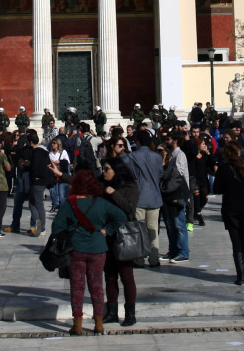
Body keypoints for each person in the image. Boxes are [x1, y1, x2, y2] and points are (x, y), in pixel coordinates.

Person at [51, 171, 127, 336]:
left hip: (76, 250)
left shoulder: (70, 203)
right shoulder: (101, 203)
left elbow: (56, 227)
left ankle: (77, 324)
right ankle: (99, 323)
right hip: (98, 249)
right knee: (97, 287)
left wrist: (68, 234)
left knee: (77, 288)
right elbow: (120, 216)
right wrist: (107, 230)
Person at [99, 159, 139, 327]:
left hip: (123, 236)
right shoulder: (102, 185)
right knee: (109, 275)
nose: (104, 172)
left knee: (126, 276)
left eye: (107, 169)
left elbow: (129, 209)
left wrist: (112, 192)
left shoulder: (129, 187)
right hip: (106, 235)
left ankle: (130, 313)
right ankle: (112, 312)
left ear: (116, 170)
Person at [214, 142, 244, 285]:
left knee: (235, 241)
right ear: (239, 153)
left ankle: (240, 273)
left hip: (230, 209)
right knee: (243, 238)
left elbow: (216, 189)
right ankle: (242, 269)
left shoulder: (223, 169)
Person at [125, 130, 163, 266]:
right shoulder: (157, 157)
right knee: (153, 230)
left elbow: (125, 170)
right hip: (154, 197)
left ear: (138, 142)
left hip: (139, 197)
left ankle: (139, 259)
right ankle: (154, 258)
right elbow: (160, 174)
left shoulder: (132, 156)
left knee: (139, 229)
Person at [160, 132, 190, 263]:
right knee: (170, 225)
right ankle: (173, 250)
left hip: (177, 194)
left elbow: (178, 176)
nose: (166, 141)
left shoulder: (180, 155)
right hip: (170, 195)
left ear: (175, 141)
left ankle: (183, 252)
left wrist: (165, 187)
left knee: (179, 224)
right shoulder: (172, 155)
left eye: (168, 139)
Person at [48, 137, 71, 212]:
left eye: (54, 143)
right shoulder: (50, 153)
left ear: (58, 144)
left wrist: (60, 162)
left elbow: (67, 162)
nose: (53, 144)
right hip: (53, 174)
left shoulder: (63, 152)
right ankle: (54, 205)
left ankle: (62, 206)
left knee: (61, 192)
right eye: (52, 143)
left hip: (61, 173)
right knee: (53, 191)